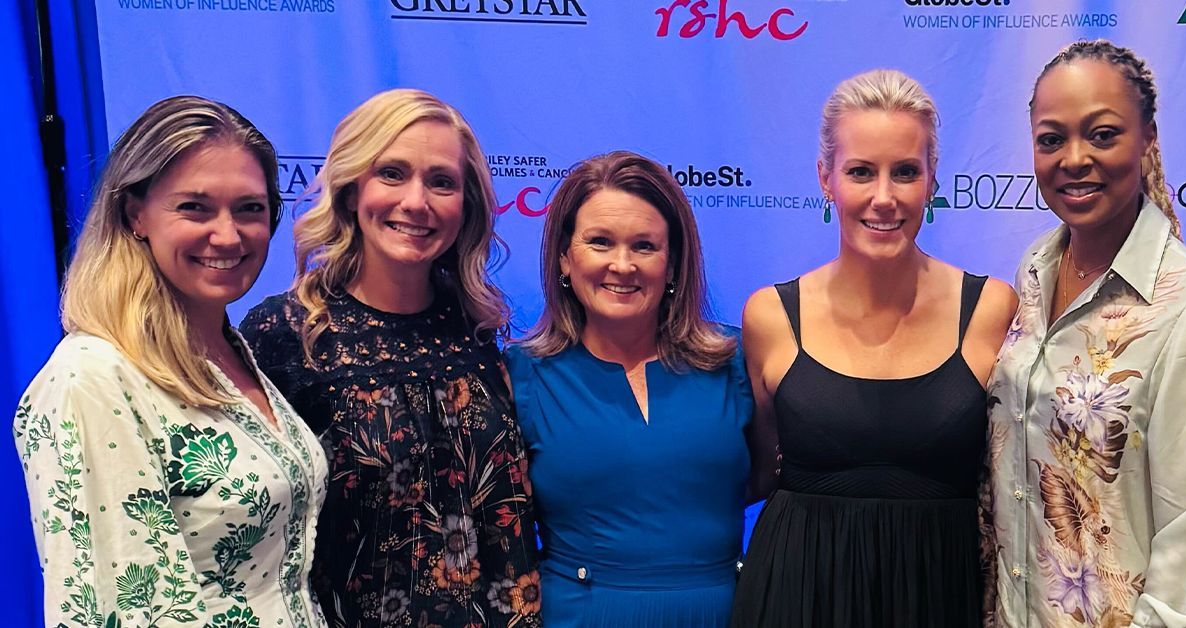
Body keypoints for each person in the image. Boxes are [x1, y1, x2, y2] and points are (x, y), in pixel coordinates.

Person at [13, 96, 328, 627]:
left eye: (249, 208)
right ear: (136, 213)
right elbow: (121, 609)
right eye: (195, 207)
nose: (227, 235)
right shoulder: (92, 377)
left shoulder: (228, 351)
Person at [982, 39, 1186, 626]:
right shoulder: (1034, 271)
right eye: (1051, 138)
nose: (1074, 158)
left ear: (1148, 140)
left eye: (1103, 134)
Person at [240, 89, 539, 627]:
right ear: (352, 191)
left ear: (465, 205)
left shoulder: (479, 332)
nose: (417, 201)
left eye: (441, 181)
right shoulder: (285, 334)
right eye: (393, 173)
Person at [729, 69, 1018, 627]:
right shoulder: (769, 315)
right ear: (825, 178)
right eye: (860, 171)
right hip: (796, 593)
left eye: (905, 172)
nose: (883, 198)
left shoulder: (991, 309)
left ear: (932, 180)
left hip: (940, 593)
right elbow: (757, 471)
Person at [504, 150, 754, 627]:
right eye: (599, 242)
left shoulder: (735, 361)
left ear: (674, 262)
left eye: (644, 246)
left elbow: (777, 478)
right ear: (564, 256)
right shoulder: (518, 376)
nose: (622, 264)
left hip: (723, 612)